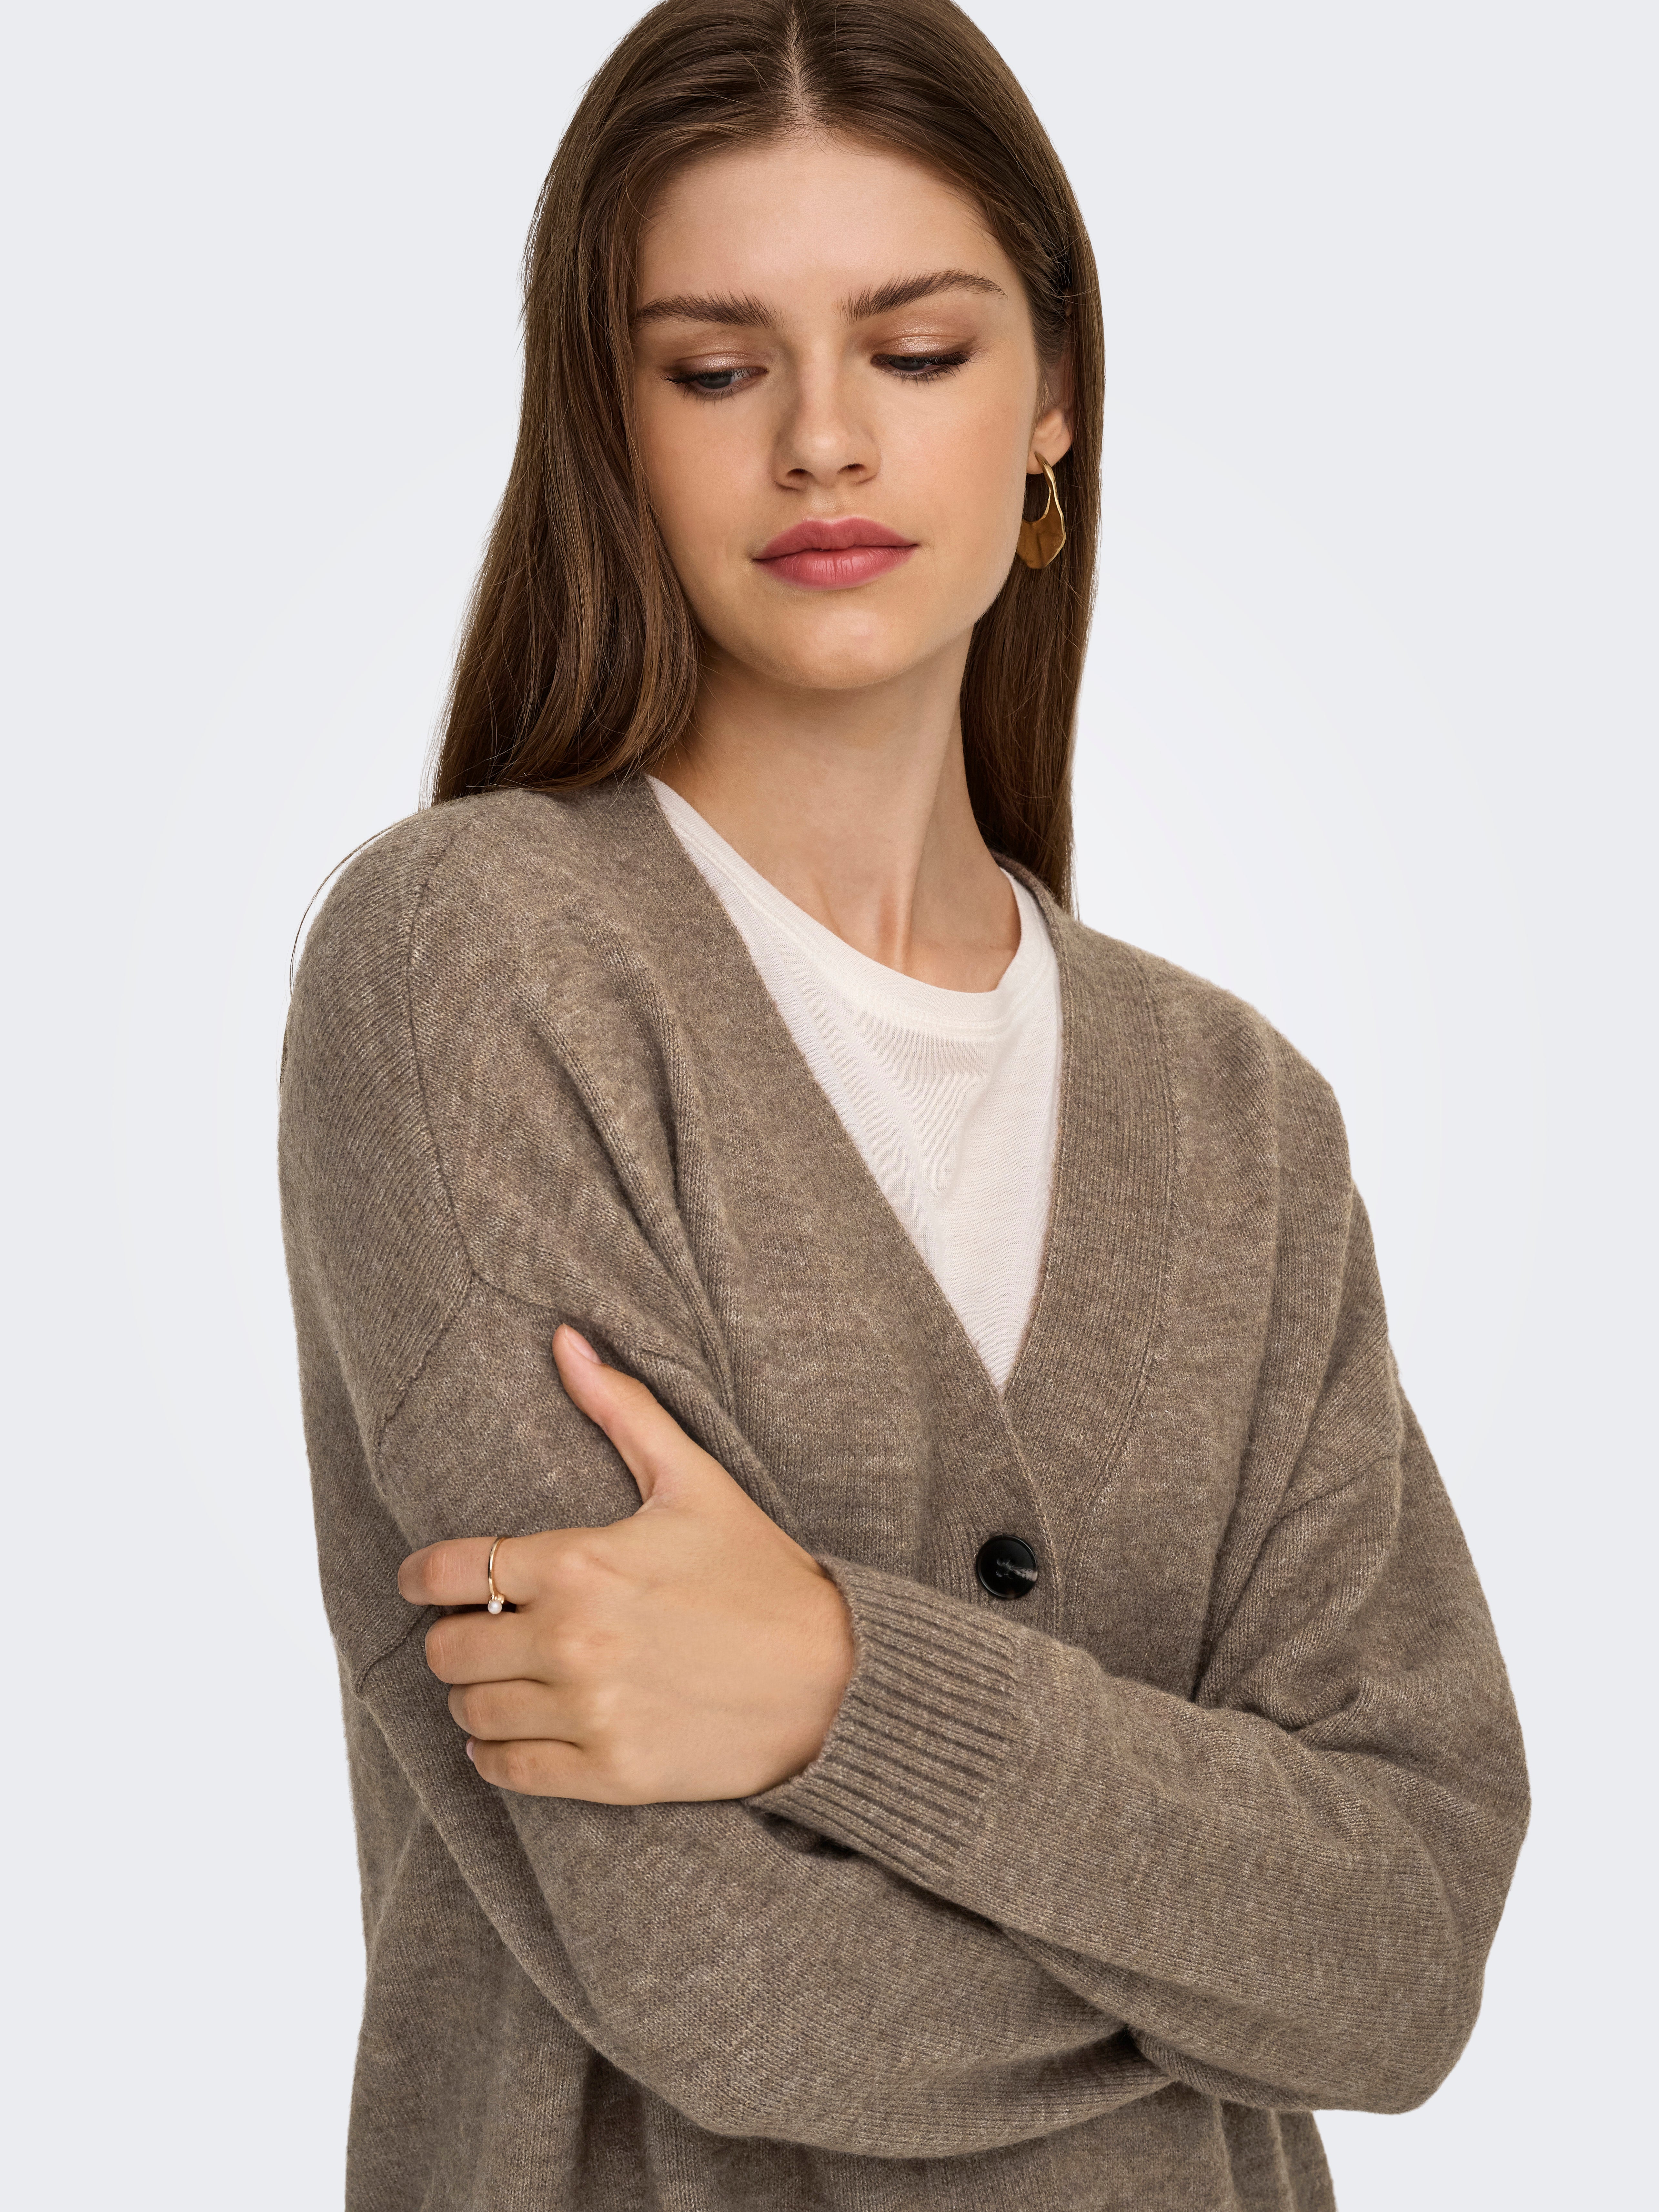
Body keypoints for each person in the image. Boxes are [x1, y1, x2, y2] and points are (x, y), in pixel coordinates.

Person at [278, 2, 1528, 2205]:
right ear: (606, 426)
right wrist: (1218, 1941)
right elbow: (713, 1967)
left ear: (1051, 399)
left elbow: (1406, 1949)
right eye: (714, 368)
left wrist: (837, 1681)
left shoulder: (1238, 1119)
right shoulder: (473, 961)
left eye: (918, 351)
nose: (823, 442)